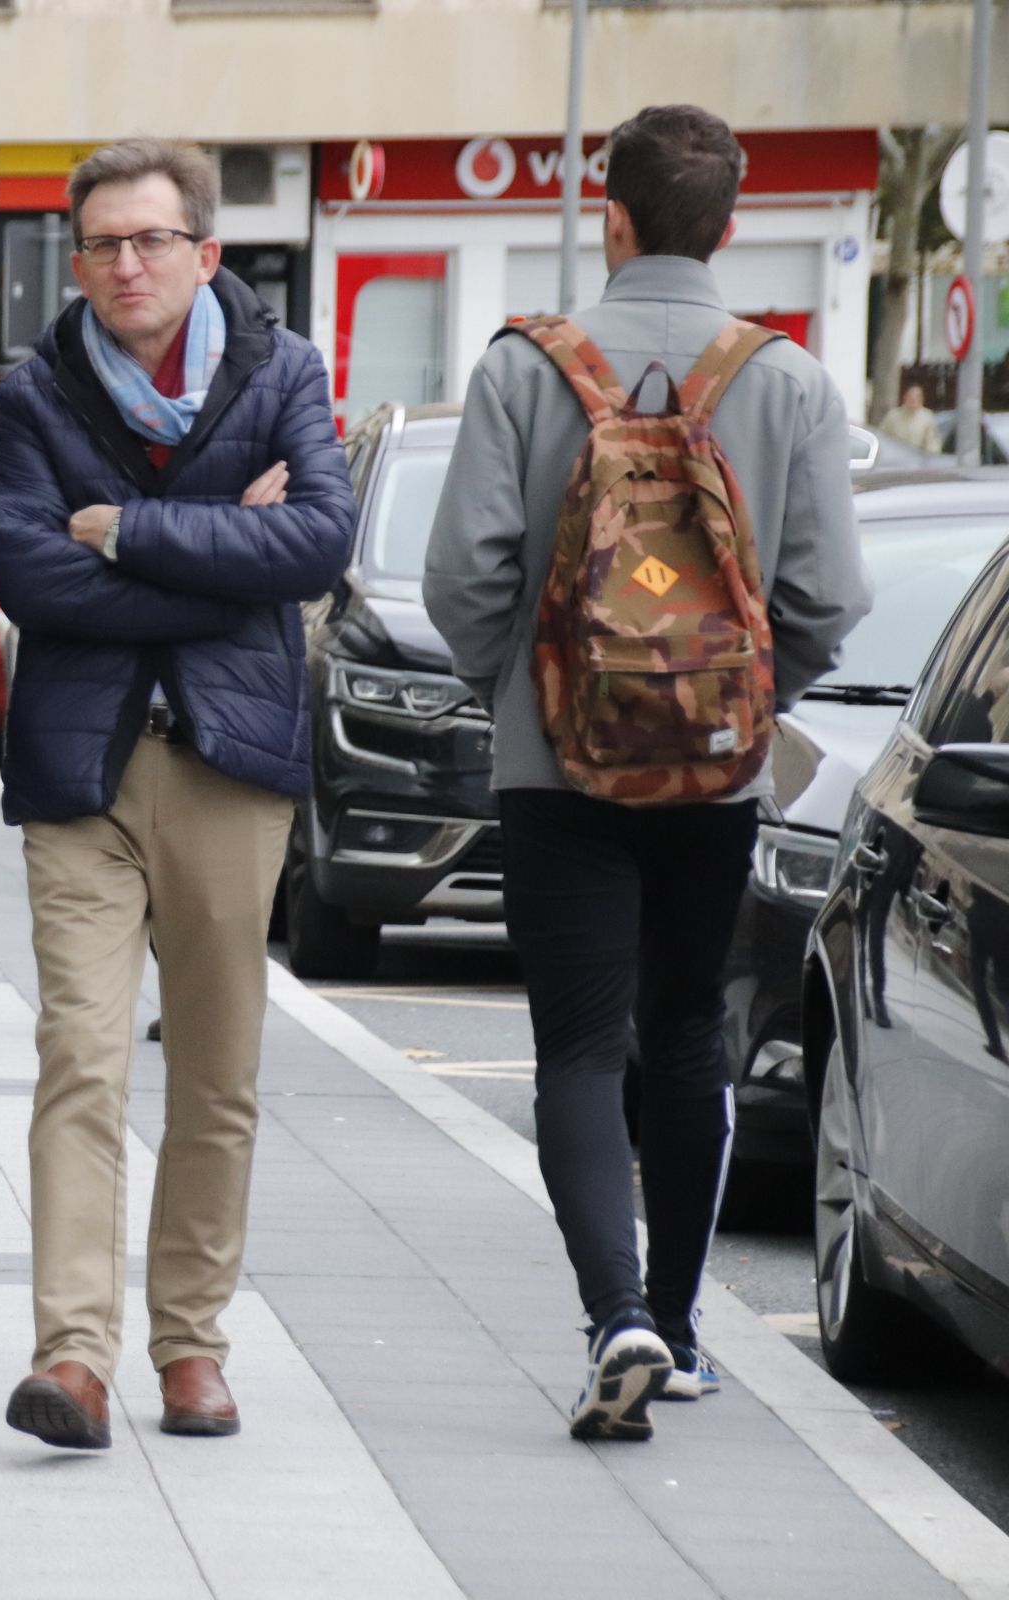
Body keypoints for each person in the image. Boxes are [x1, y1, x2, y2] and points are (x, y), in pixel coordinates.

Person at [425, 104, 869, 1441]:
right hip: (713, 780)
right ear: (728, 228)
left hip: (556, 768)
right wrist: (739, 694)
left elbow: (463, 577)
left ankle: (609, 1310)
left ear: (609, 218)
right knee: (686, 1034)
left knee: (573, 1043)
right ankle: (677, 1330)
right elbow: (829, 596)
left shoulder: (524, 369)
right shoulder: (783, 381)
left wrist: (516, 689)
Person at [0, 139, 351, 1451]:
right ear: (76, 261)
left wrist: (126, 528)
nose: (125, 265)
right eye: (102, 245)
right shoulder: (37, 396)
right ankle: (73, 1358)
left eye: (150, 240)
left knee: (216, 1072)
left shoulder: (285, 371)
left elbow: (315, 542)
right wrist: (224, 549)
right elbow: (29, 576)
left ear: (206, 252)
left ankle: (191, 1346)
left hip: (229, 763)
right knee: (78, 1057)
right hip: (80, 768)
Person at [878, 380, 943, 456]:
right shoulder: (893, 416)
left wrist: (931, 456)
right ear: (905, 398)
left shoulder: (927, 417)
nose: (913, 401)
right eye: (911, 398)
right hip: (895, 457)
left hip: (918, 459)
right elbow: (882, 437)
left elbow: (932, 442)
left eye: (916, 398)